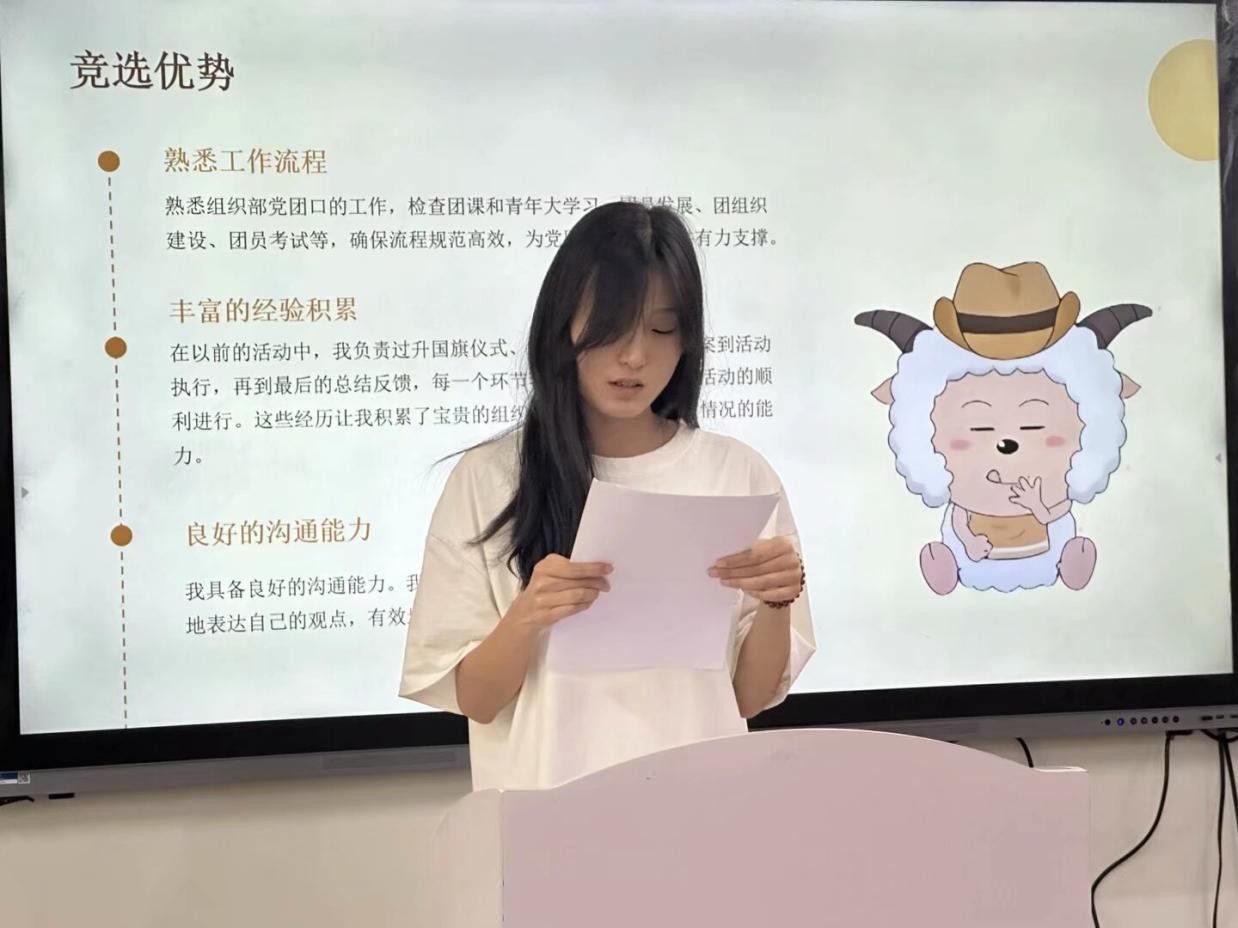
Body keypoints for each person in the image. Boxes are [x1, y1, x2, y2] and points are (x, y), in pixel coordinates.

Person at [398, 201, 816, 791]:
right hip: (546, 815)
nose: (635, 356)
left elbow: (747, 698)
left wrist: (776, 602)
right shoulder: (490, 477)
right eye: (611, 327)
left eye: (662, 329)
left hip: (700, 807)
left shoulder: (737, 473)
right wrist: (529, 616)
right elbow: (476, 698)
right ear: (563, 327)